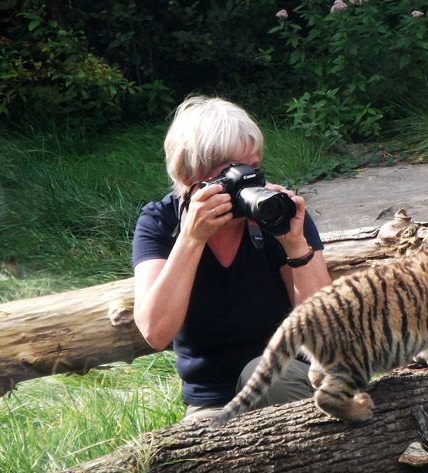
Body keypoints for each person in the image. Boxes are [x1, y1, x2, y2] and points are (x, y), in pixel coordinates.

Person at [132, 96, 332, 420]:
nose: (248, 181)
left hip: (292, 379)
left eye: (253, 168)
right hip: (213, 403)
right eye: (233, 171)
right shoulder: (162, 223)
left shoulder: (275, 211)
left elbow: (326, 328)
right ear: (190, 177)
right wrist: (192, 238)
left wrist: (295, 244)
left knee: (269, 375)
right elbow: (156, 331)